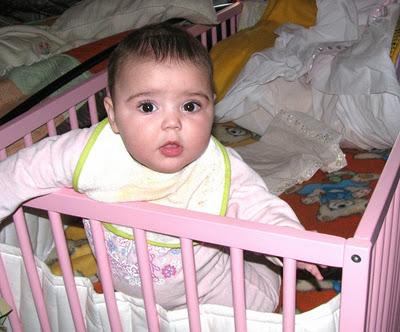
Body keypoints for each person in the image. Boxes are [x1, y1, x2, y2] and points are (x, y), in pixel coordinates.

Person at [0, 23, 322, 312]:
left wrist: (293, 242)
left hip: (211, 290)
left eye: (190, 106)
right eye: (148, 106)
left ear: (212, 107)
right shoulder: (92, 151)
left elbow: (260, 206)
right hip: (126, 290)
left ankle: (264, 271)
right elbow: (25, 168)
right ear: (112, 114)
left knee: (259, 304)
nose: (172, 123)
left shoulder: (215, 168)